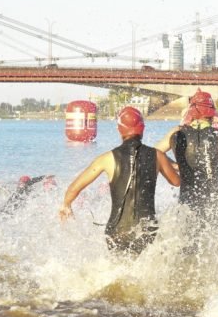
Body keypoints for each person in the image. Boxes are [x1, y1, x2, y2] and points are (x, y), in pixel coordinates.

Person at [59, 106, 180, 254]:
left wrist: (66, 205)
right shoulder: (157, 156)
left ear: (119, 130)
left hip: (116, 231)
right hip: (146, 229)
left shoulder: (106, 158)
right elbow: (176, 182)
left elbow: (74, 188)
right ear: (142, 129)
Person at [154, 89, 218, 233]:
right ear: (212, 113)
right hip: (217, 204)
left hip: (187, 206)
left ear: (191, 113)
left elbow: (153, 154)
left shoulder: (176, 133)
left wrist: (175, 166)